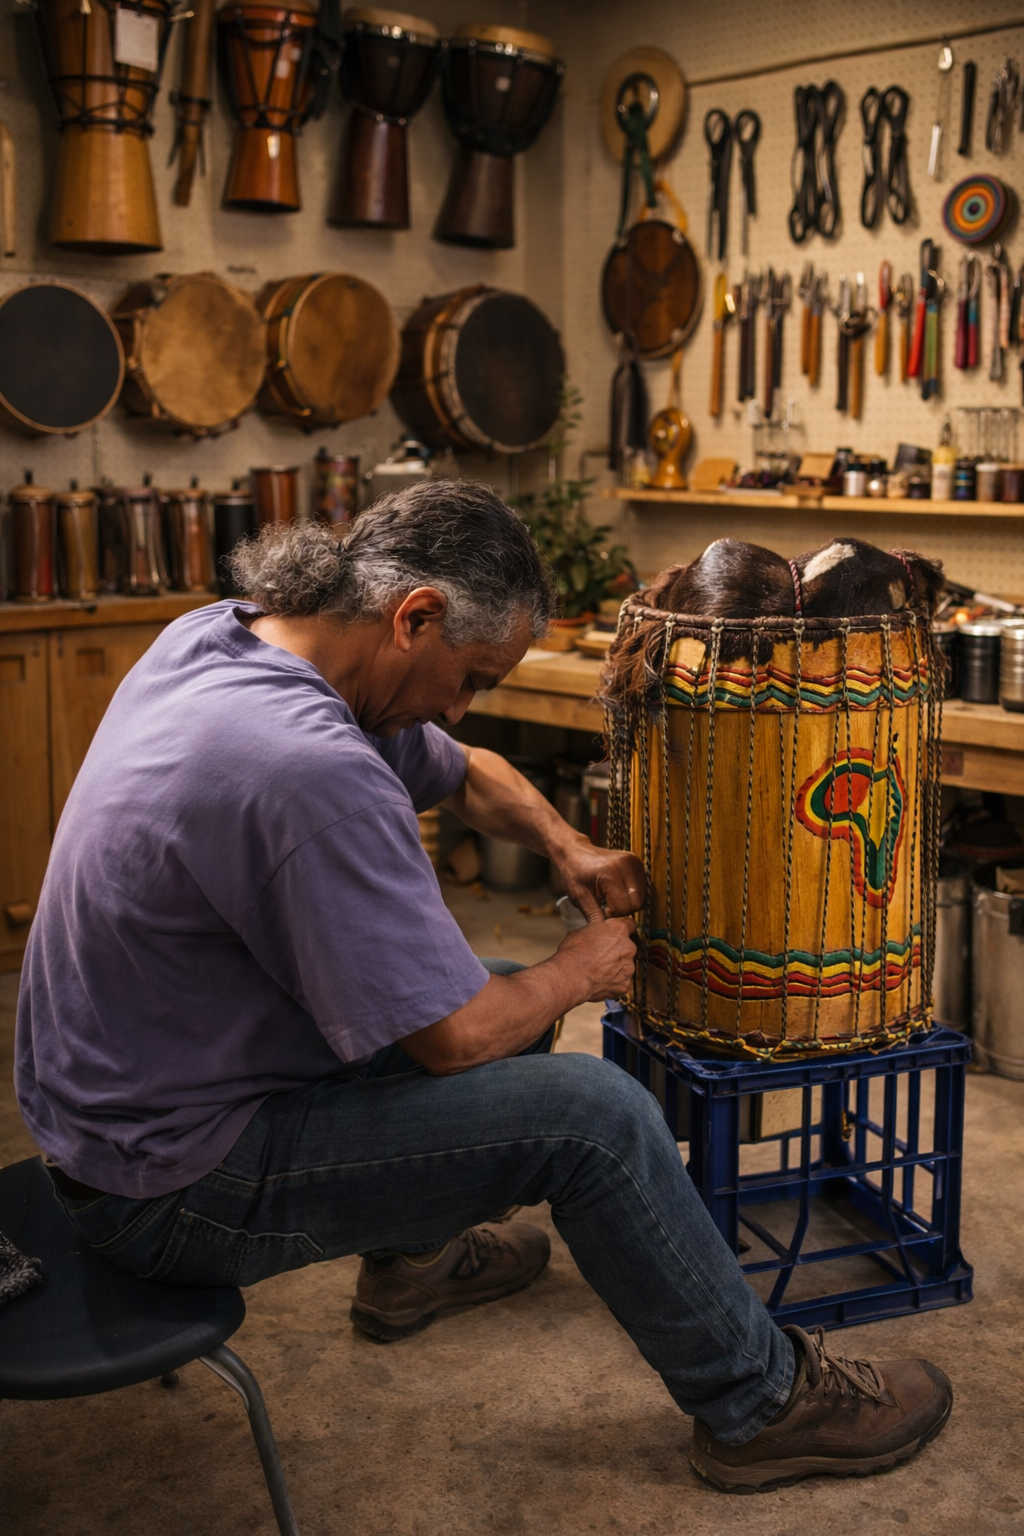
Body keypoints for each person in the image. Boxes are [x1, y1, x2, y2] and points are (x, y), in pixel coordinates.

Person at [15, 483, 952, 1493]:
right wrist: (576, 972)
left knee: (505, 993)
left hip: (120, 1119)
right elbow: (455, 1040)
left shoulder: (233, 642)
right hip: (168, 1188)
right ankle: (760, 1407)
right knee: (593, 1113)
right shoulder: (305, 769)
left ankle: (410, 1265)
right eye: (467, 677)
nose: (462, 706)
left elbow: (462, 770)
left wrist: (564, 844)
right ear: (412, 614)